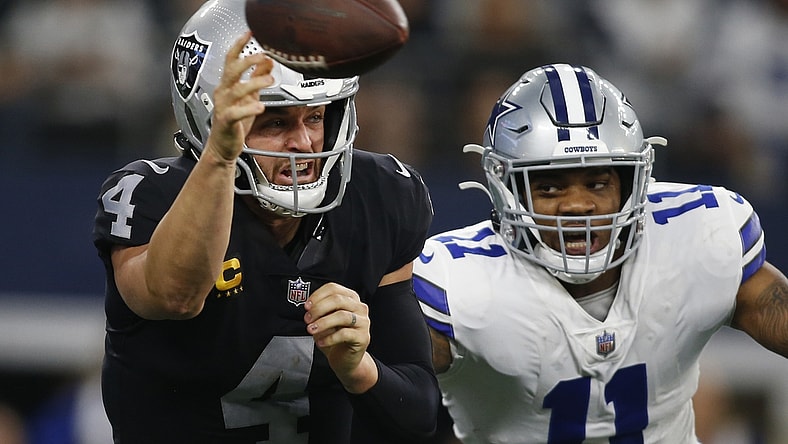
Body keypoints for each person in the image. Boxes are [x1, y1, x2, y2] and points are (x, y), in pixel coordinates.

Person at [91, 0, 439, 442]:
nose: (304, 142)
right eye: (274, 122)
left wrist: (359, 368)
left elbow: (417, 416)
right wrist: (220, 157)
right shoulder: (152, 194)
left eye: (316, 116)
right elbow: (173, 297)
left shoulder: (380, 195)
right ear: (210, 118)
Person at [413, 63, 788, 443]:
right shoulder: (457, 281)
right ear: (507, 190)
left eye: (596, 182)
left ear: (631, 186)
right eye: (549, 188)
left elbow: (770, 308)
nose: (577, 205)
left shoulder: (698, 232)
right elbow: (386, 389)